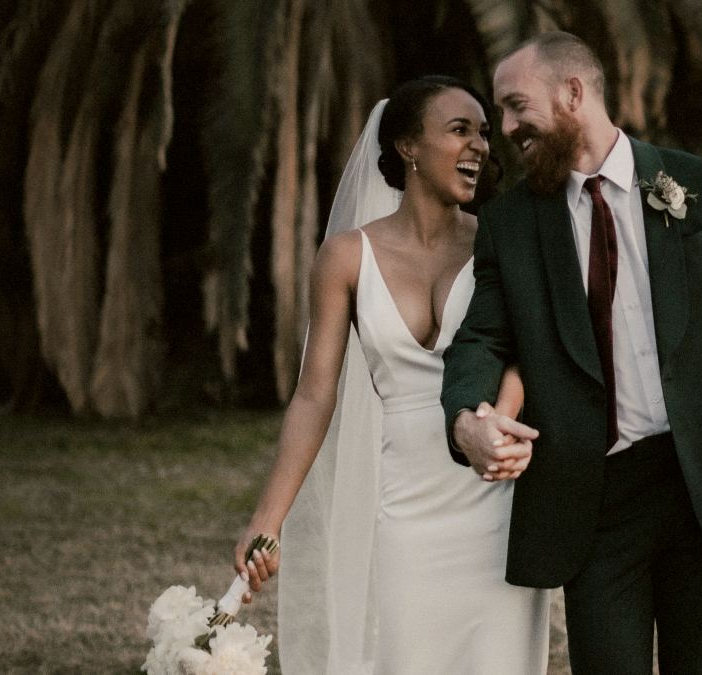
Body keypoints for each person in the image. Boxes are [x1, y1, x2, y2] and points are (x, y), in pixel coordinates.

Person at [443, 32, 702, 674]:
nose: (507, 128)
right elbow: (483, 336)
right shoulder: (512, 223)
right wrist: (466, 417)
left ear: (573, 93)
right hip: (592, 500)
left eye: (517, 106)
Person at [233, 76, 549, 674]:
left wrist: (502, 422)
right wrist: (267, 519)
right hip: (405, 508)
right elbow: (313, 394)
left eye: (484, 132)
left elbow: (526, 352)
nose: (480, 145)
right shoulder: (346, 257)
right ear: (408, 146)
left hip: (497, 499)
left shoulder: (500, 241)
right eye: (460, 130)